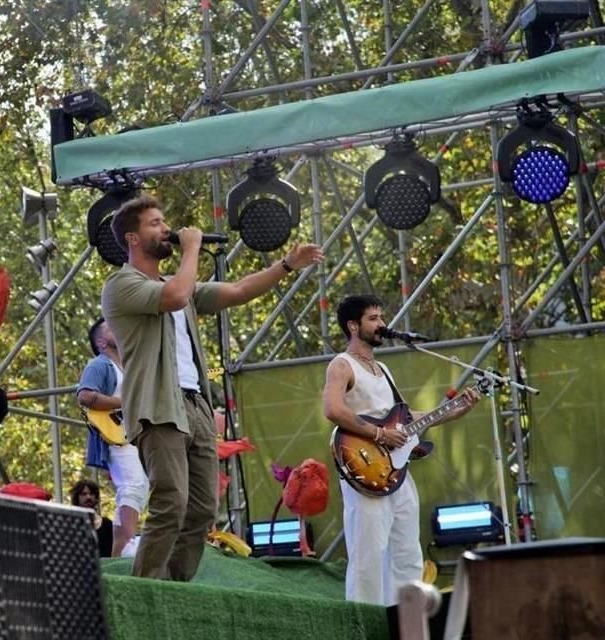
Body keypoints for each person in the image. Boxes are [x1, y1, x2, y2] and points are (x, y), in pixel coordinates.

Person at [101, 194, 323, 581]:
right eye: (155, 223)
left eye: (163, 221)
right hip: (159, 406)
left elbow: (236, 291)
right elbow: (174, 297)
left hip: (197, 407)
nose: (165, 228)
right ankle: (146, 588)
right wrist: (192, 248)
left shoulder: (177, 283)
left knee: (203, 508)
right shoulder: (121, 285)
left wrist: (287, 264)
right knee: (171, 498)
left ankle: (174, 584)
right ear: (133, 239)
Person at [322, 294, 480, 605]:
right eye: (373, 319)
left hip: (397, 472)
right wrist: (378, 433)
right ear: (353, 326)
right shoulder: (342, 365)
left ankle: (405, 623)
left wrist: (455, 410)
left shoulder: (382, 368)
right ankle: (364, 627)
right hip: (364, 470)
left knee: (408, 555)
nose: (382, 324)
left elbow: (406, 420)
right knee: (368, 557)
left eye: (381, 317)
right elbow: (332, 409)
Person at [77, 317, 150, 556]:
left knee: (139, 486)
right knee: (133, 484)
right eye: (110, 327)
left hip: (134, 434)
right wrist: (127, 403)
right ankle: (125, 543)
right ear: (101, 342)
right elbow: (85, 396)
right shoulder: (99, 365)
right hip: (117, 436)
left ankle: (124, 544)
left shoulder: (128, 367)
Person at [70, 478, 113, 558]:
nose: (88, 497)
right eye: (84, 494)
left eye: (92, 493)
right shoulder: (71, 525)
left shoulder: (107, 525)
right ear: (77, 497)